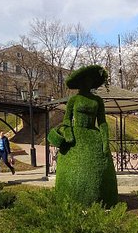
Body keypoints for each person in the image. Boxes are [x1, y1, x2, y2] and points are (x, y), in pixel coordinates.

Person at [48, 64, 118, 207]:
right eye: (86, 80)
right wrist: (68, 132)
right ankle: (69, 197)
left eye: (91, 80)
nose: (89, 82)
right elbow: (67, 119)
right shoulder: (74, 99)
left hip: (94, 136)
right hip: (76, 136)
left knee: (99, 171)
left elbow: (102, 122)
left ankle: (102, 199)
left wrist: (105, 140)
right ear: (80, 82)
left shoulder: (97, 100)